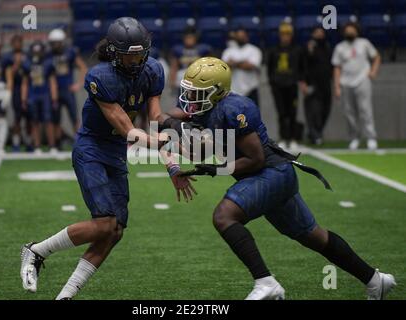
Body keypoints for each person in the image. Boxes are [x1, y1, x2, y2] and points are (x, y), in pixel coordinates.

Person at [163, 56, 396, 300]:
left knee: (224, 216)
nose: (189, 98)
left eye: (197, 93)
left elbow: (255, 160)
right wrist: (169, 127)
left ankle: (266, 282)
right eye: (189, 92)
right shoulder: (205, 108)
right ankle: (375, 280)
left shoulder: (234, 109)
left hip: (272, 173)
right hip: (265, 177)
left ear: (217, 92)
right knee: (314, 236)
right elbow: (169, 120)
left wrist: (217, 168)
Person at [20, 17, 196, 300]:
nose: (137, 60)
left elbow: (154, 119)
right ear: (114, 53)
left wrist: (172, 161)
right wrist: (166, 139)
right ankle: (36, 250)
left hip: (115, 151)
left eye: (141, 53)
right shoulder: (100, 77)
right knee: (104, 223)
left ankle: (65, 295)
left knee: (114, 231)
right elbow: (129, 131)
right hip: (92, 148)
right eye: (131, 55)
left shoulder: (152, 70)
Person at [332, 22, 381, 150]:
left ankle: (371, 138)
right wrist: (337, 86)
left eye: (352, 30)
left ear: (356, 31)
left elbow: (376, 57)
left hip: (362, 80)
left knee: (365, 110)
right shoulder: (340, 47)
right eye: (347, 31)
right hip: (345, 82)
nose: (349, 33)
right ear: (344, 33)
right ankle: (354, 137)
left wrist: (373, 71)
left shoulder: (364, 43)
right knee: (349, 112)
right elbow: (337, 67)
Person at [267, 22, 305, 150]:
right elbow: (269, 69)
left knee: (292, 113)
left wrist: (301, 81)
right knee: (281, 113)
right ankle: (283, 138)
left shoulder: (297, 50)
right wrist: (273, 83)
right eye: (283, 34)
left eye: (288, 34)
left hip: (292, 85)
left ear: (291, 35)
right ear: (279, 35)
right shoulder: (273, 50)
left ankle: (293, 138)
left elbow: (301, 68)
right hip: (278, 86)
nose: (285, 37)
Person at [47, 28, 87, 149]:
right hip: (54, 91)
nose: (54, 45)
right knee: (55, 119)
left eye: (56, 42)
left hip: (67, 89)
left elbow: (83, 67)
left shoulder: (69, 52)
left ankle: (80, 143)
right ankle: (57, 144)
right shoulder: (49, 55)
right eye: (52, 43)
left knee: (74, 117)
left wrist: (79, 84)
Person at [21, 41, 58, 154]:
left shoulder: (48, 63)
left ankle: (52, 146)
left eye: (39, 51)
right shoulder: (27, 64)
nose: (37, 53)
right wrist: (23, 98)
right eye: (35, 51)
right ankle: (37, 146)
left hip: (45, 94)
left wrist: (54, 98)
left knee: (48, 121)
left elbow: (52, 82)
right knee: (34, 121)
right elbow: (25, 83)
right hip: (33, 95)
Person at [301, 27, 333, 145]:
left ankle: (315, 132)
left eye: (321, 33)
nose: (319, 35)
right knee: (314, 111)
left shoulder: (327, 47)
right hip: (312, 84)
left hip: (326, 85)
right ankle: (315, 134)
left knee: (325, 110)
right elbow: (303, 65)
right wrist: (303, 82)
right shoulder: (308, 47)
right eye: (317, 33)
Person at [221, 27, 262, 105]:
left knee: (252, 116)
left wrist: (234, 63)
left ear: (247, 36)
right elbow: (224, 67)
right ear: (235, 37)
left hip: (251, 90)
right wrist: (242, 63)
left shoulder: (254, 50)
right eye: (239, 36)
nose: (241, 38)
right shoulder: (228, 51)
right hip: (233, 91)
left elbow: (251, 66)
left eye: (243, 36)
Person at [5, 34, 30, 152]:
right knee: (17, 117)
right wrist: (16, 64)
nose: (17, 45)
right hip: (15, 89)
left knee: (29, 117)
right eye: (15, 42)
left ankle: (29, 142)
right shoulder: (8, 57)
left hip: (28, 88)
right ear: (12, 44)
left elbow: (30, 71)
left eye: (19, 42)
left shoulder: (27, 55)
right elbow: (8, 75)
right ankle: (16, 143)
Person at [169, 27, 212, 95]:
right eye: (187, 37)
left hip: (199, 74)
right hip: (183, 74)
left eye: (191, 37)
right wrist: (172, 80)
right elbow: (174, 66)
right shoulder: (178, 49)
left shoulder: (203, 49)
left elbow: (209, 65)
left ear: (195, 38)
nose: (189, 40)